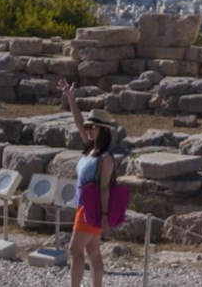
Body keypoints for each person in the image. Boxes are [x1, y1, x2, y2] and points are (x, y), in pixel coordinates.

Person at [60, 79, 116, 287]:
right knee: (93, 251)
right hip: (82, 206)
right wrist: (71, 98)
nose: (89, 130)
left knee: (74, 250)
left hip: (91, 210)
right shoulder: (90, 148)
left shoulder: (106, 158)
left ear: (103, 130)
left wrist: (104, 217)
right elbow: (78, 122)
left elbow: (104, 188)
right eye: (89, 127)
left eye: (93, 127)